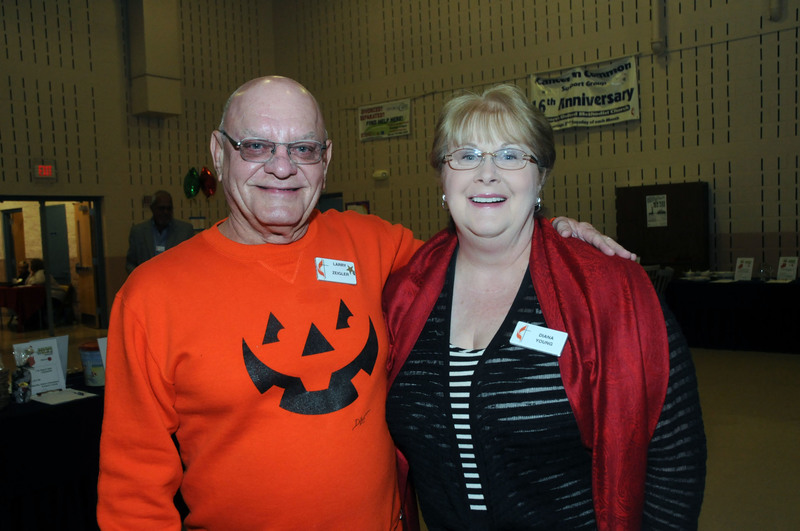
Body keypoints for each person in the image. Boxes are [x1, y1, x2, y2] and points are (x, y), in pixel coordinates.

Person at [98, 76, 636, 530]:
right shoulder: (153, 295)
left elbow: (481, 257)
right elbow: (133, 489)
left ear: (325, 159)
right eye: (257, 146)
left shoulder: (372, 245)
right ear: (219, 153)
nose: (282, 167)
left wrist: (556, 237)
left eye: (303, 148)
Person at [383, 84, 707, 530]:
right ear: (443, 176)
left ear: (540, 178)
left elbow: (674, 458)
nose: (488, 173)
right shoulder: (404, 293)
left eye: (513, 155)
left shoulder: (611, 291)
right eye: (467, 155)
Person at [125, 190, 195, 273]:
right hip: (148, 283)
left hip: (176, 282)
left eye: (169, 208)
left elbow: (192, 261)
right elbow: (130, 264)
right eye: (161, 208)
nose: (165, 212)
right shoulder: (138, 232)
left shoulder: (185, 231)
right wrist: (141, 277)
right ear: (152, 208)